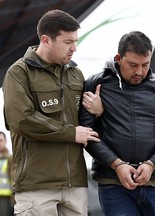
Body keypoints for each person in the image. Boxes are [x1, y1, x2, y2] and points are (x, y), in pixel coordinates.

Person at [79, 31, 155, 216]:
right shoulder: (97, 84)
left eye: (145, 65)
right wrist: (117, 164)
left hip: (154, 181)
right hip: (113, 183)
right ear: (118, 58)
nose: (139, 72)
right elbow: (86, 133)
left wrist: (153, 164)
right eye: (133, 65)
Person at [2, 9, 99, 216]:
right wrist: (71, 133)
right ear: (46, 40)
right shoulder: (19, 73)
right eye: (67, 42)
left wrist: (98, 110)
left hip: (75, 184)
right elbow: (22, 120)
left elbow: (85, 121)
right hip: (36, 186)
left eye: (75, 41)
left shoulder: (76, 74)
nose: (74, 48)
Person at [0, 131, 13, 216]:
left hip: (5, 198)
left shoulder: (10, 158)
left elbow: (13, 179)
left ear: (6, 141)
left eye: (0, 140)